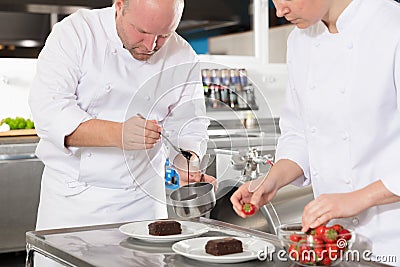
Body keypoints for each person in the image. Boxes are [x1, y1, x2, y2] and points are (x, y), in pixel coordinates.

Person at [231, 0, 400, 264]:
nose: (279, 11)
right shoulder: (299, 41)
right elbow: (300, 134)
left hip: (393, 240)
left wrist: (358, 199)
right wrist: (270, 181)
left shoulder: (392, 26)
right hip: (333, 239)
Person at [29, 0, 215, 233]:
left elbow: (189, 125)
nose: (151, 45)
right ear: (119, 6)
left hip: (143, 205)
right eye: (142, 32)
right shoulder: (77, 32)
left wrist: (189, 162)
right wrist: (119, 134)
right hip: (72, 204)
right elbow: (50, 111)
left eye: (164, 35)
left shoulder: (183, 55)